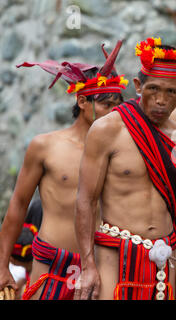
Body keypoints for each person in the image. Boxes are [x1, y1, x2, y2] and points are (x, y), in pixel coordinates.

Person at [74, 37, 176, 300]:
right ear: (137, 86)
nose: (161, 101)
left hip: (165, 259)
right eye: (153, 89)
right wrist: (88, 266)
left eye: (171, 93)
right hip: (114, 254)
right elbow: (86, 200)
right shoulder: (107, 129)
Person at [0, 41, 127, 300]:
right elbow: (19, 204)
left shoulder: (122, 151)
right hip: (50, 261)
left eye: (118, 106)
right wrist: (2, 264)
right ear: (82, 101)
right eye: (106, 105)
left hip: (102, 265)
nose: (113, 113)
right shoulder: (45, 146)